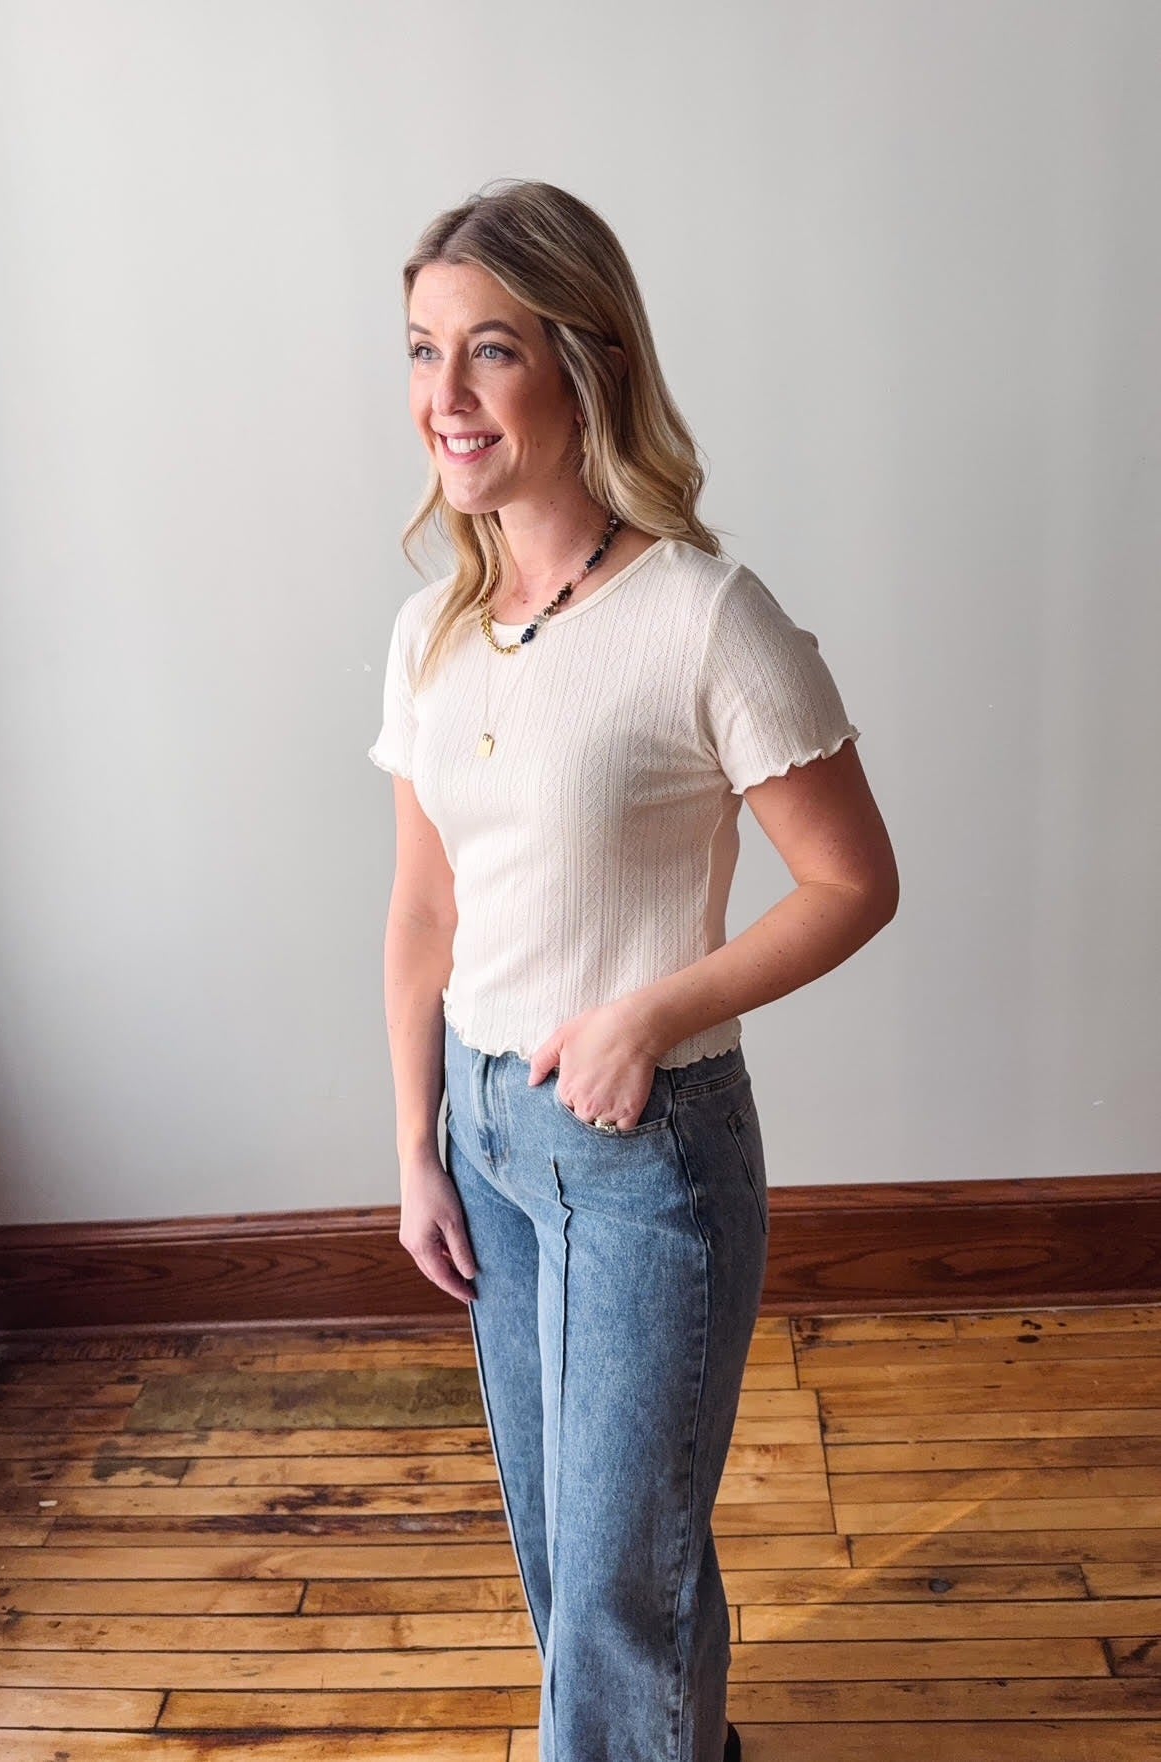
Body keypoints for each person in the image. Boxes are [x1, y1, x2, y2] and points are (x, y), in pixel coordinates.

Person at [367, 178, 899, 1762]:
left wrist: (655, 1010)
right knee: (583, 1563)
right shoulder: (432, 628)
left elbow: (854, 882)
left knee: (614, 1584)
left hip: (638, 1147)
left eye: (490, 350)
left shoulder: (703, 616)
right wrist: (414, 1145)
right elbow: (421, 909)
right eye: (422, 351)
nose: (445, 396)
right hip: (483, 1136)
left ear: (585, 362)